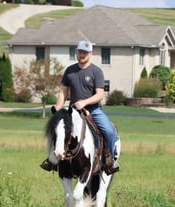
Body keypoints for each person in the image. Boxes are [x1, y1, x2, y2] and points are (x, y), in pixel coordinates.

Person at [40, 40, 119, 175]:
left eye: (85, 52)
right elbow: (63, 91)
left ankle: (109, 161)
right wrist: (58, 109)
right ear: (76, 52)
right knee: (56, 130)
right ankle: (52, 161)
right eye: (80, 52)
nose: (82, 55)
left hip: (93, 110)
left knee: (109, 131)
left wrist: (84, 102)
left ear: (90, 53)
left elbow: (100, 94)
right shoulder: (70, 71)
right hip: (72, 111)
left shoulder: (96, 71)